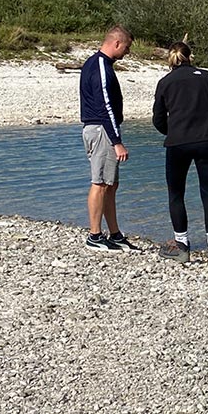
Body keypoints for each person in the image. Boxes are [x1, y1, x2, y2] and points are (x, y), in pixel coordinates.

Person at [151, 40, 208, 268]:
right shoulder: (206, 77)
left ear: (170, 59)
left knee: (176, 195)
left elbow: (158, 119)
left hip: (177, 144)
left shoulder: (165, 82)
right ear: (191, 57)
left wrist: (172, 131)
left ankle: (182, 249)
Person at [80, 25, 136, 252]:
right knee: (101, 182)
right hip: (101, 130)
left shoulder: (97, 64)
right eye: (127, 47)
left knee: (111, 184)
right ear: (116, 43)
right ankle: (94, 235)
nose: (127, 52)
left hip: (101, 129)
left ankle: (115, 234)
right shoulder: (100, 66)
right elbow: (105, 107)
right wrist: (116, 141)